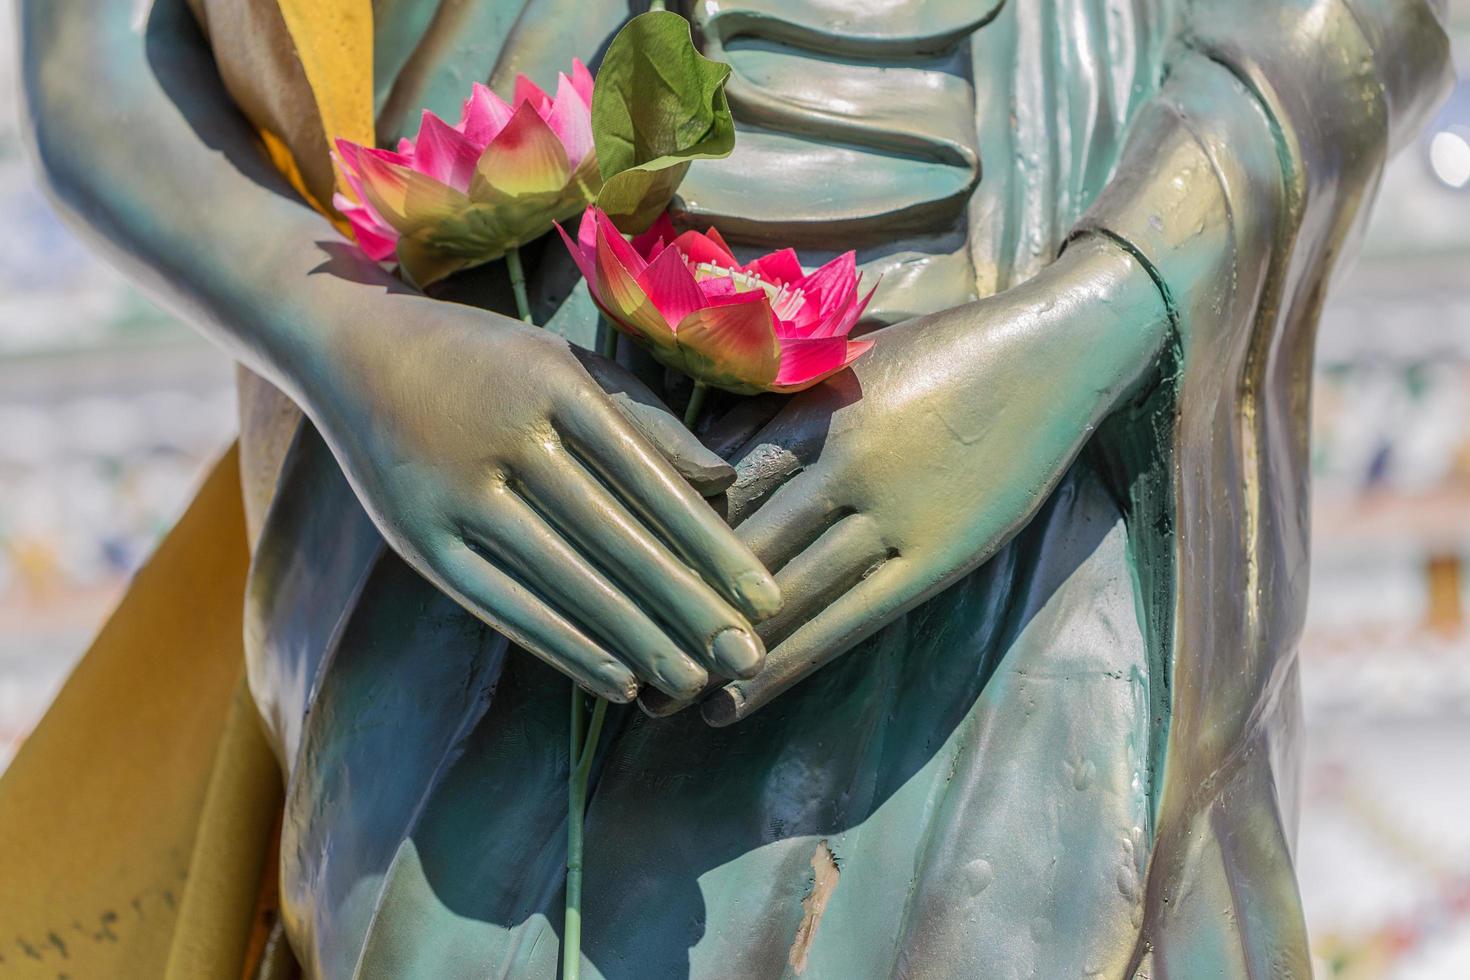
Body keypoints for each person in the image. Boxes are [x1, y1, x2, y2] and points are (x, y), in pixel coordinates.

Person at [6, 0, 1452, 977]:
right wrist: (345, 338)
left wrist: (1092, 314)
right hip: (489, 517)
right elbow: (93, 54)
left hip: (1044, 508)